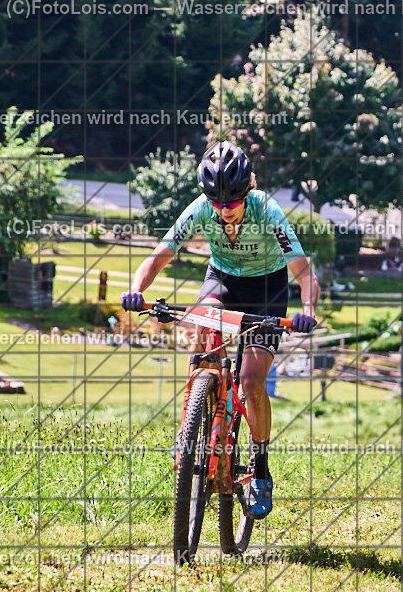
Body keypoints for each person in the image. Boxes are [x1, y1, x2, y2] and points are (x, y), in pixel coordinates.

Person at [121, 141, 320, 520]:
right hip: (222, 282)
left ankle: (261, 468)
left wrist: (307, 311)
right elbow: (157, 257)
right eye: (216, 202)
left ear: (248, 191)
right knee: (201, 328)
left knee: (251, 380)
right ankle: (197, 416)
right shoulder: (201, 210)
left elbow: (305, 273)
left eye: (231, 203)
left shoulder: (268, 211)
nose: (223, 211)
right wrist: (137, 291)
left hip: (267, 289)